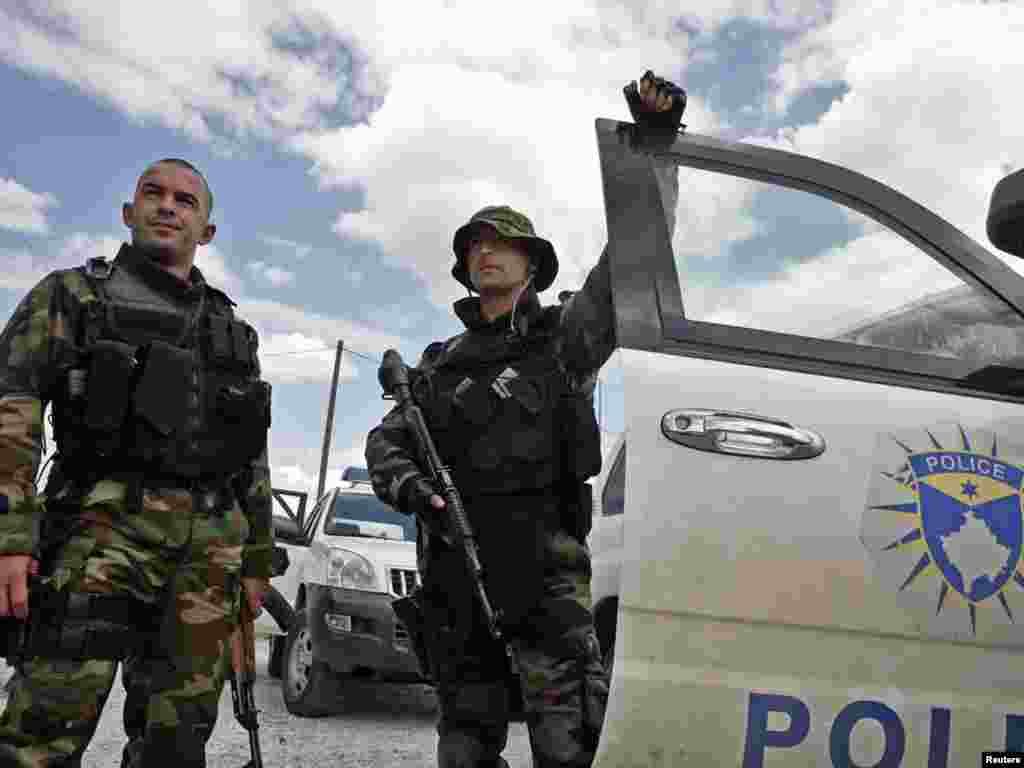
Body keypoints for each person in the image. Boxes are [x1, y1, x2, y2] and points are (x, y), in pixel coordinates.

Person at [365, 72, 684, 768]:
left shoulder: (564, 341)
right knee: (465, 749)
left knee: (569, 749)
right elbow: (386, 446)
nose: (484, 249)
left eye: (500, 241)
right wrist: (413, 489)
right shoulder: (436, 366)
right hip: (456, 582)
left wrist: (653, 150)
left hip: (544, 584)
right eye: (474, 243)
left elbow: (635, 261)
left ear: (531, 263)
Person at [0, 158, 274, 767]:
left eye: (185, 200)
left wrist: (256, 560)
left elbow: (251, 453)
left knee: (176, 743)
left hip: (206, 556)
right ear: (129, 213)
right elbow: (12, 408)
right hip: (98, 538)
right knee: (42, 731)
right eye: (153, 193)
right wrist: (10, 536)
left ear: (206, 230)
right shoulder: (73, 294)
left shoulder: (232, 330)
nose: (168, 205)